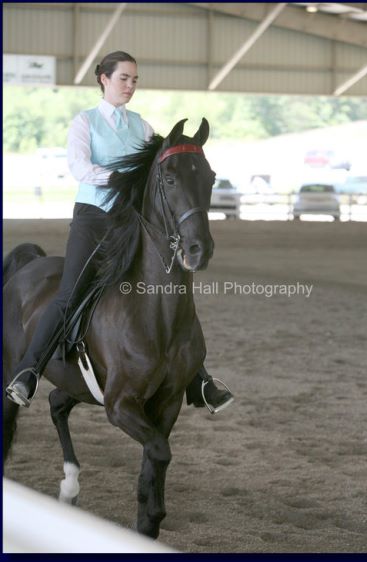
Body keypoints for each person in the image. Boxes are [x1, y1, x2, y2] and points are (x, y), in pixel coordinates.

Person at [6, 51, 234, 413]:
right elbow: (80, 168)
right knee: (69, 293)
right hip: (92, 221)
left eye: (134, 80)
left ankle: (198, 379)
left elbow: (161, 169)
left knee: (166, 291)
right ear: (104, 79)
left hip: (130, 223)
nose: (130, 85)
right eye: (124, 78)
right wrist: (119, 177)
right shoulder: (85, 123)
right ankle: (28, 371)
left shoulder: (142, 127)